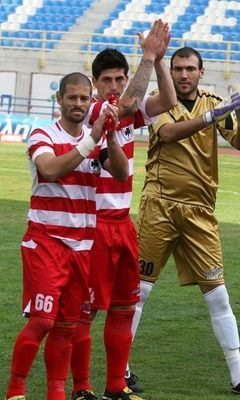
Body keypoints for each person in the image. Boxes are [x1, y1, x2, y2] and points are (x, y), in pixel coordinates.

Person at [127, 46, 240, 399]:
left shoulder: (213, 101)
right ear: (171, 71)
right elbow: (170, 134)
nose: (184, 74)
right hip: (159, 206)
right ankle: (121, 369)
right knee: (139, 292)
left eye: (190, 68)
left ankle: (239, 378)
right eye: (178, 68)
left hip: (200, 212)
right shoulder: (161, 101)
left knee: (218, 295)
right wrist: (216, 115)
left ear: (201, 72)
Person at [68, 20, 177, 400]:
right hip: (94, 226)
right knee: (87, 310)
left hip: (122, 224)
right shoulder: (99, 109)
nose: (114, 86)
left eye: (119, 78)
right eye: (107, 80)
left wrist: (159, 61)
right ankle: (82, 388)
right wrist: (147, 55)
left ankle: (115, 386)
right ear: (96, 85)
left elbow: (168, 102)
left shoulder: (128, 112)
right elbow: (130, 101)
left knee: (123, 307)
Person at [5, 73, 127, 400]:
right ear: (59, 100)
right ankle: (15, 389)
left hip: (82, 248)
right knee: (43, 320)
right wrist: (94, 138)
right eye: (71, 98)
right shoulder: (42, 133)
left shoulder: (95, 137)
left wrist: (111, 138)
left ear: (91, 101)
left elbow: (120, 172)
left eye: (83, 99)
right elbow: (51, 169)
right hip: (46, 242)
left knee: (67, 327)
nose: (77, 104)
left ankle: (56, 393)